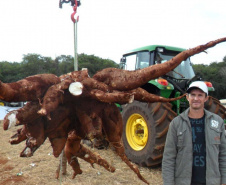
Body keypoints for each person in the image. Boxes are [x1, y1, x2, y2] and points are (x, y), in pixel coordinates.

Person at [162, 81, 226, 185]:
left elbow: (223, 155)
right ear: (187, 97)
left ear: (206, 98)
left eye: (200, 95)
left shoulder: (217, 122)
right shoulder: (176, 123)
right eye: (193, 95)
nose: (196, 98)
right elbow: (169, 158)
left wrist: (224, 181)